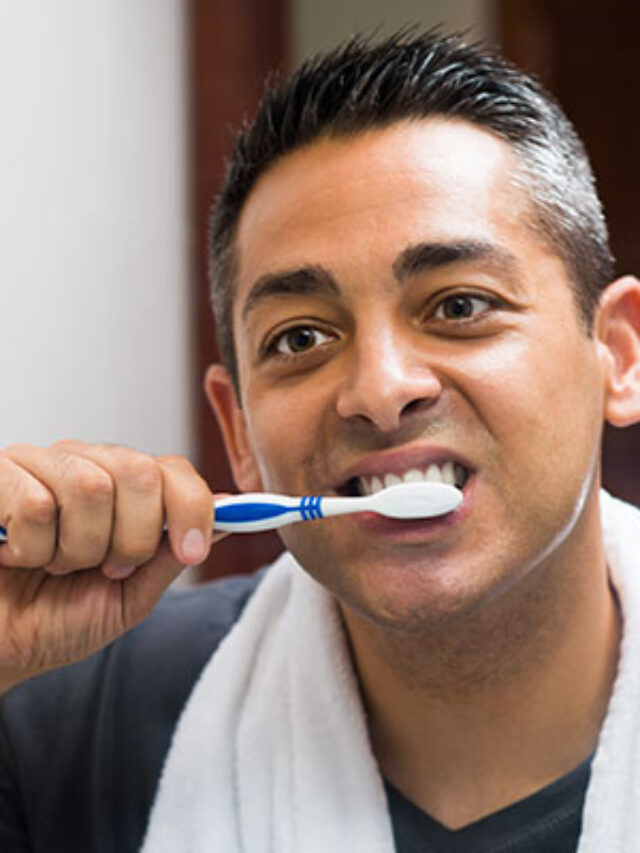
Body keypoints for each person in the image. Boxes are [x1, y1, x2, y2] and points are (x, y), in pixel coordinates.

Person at [1, 29, 639, 853]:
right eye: (301, 338)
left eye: (458, 305)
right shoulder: (62, 729)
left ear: (617, 356)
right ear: (236, 429)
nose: (379, 390)